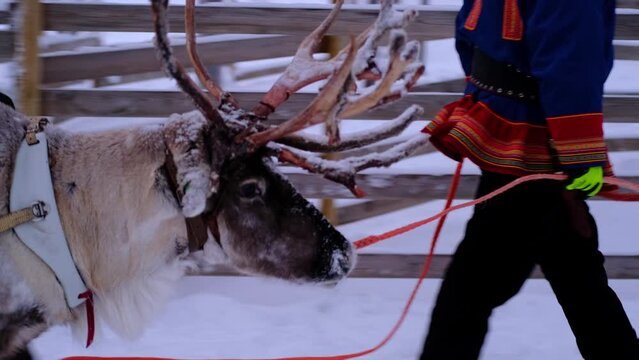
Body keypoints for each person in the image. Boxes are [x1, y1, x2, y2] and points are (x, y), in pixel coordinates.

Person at [419, 0, 639, 359]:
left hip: (512, 129)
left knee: (571, 272)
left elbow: (467, 33)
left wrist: (487, 94)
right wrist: (581, 155)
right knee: (479, 282)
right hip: (535, 139)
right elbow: (571, 62)